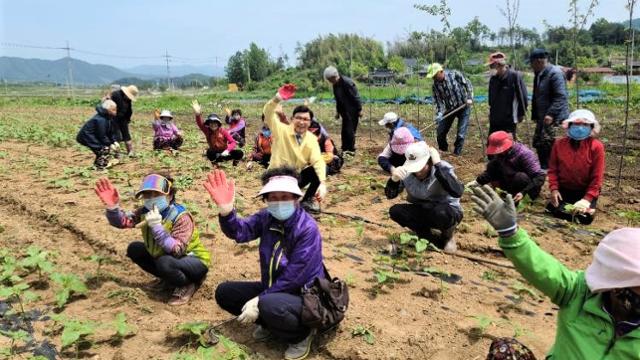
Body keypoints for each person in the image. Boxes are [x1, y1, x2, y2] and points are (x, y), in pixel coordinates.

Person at [471, 185, 640, 359]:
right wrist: (510, 233)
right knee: (505, 350)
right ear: (614, 280)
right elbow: (544, 269)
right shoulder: (579, 293)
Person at [204, 168, 326, 360]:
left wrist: (260, 299)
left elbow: (295, 276)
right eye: (273, 197)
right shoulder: (266, 218)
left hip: (304, 296)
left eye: (285, 196)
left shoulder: (307, 228)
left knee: (268, 304)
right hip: (274, 289)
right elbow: (240, 232)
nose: (279, 202)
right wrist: (227, 211)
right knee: (225, 293)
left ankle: (301, 335)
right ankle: (271, 323)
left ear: (296, 198)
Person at [94, 173, 211, 306]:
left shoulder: (180, 217)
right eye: (148, 195)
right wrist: (113, 208)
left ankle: (188, 283)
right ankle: (168, 279)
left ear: (170, 195)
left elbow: (177, 250)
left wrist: (157, 227)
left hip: (193, 261)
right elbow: (124, 222)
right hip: (168, 258)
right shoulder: (145, 211)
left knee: (164, 262)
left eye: (156, 194)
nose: (152, 199)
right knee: (135, 249)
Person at [385, 141, 464, 253]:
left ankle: (447, 237)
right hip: (423, 209)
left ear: (430, 161)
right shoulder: (407, 172)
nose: (417, 172)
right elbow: (390, 195)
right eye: (414, 168)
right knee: (396, 211)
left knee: (441, 213)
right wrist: (393, 180)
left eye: (421, 167)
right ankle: (426, 235)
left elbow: (457, 191)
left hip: (447, 211)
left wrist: (438, 166)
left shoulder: (442, 168)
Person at [262, 84, 327, 213]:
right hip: (276, 178)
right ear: (292, 119)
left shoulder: (311, 139)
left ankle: (307, 200)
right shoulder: (281, 130)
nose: (302, 122)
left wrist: (323, 183)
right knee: (282, 209)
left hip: (293, 179)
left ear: (310, 122)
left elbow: (318, 160)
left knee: (319, 169)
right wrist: (277, 98)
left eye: (306, 119)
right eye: (298, 118)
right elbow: (268, 113)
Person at [546, 109, 604, 225]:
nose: (580, 127)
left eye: (585, 124)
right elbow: (553, 170)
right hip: (565, 189)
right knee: (551, 210)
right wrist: (554, 189)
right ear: (570, 125)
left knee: (584, 218)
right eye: (577, 123)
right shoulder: (559, 144)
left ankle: (587, 207)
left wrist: (587, 199)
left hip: (584, 190)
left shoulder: (596, 147)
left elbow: (597, 177)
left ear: (591, 127)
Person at [467, 131, 545, 203]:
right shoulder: (501, 155)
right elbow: (491, 171)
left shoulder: (524, 154)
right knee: (492, 165)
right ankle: (505, 195)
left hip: (527, 189)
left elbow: (540, 177)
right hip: (510, 184)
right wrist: (477, 182)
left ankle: (519, 199)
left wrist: (523, 192)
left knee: (520, 177)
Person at [529, 48, 570, 169]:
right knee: (538, 142)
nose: (531, 66)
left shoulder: (555, 73)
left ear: (539, 61)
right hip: (543, 116)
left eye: (532, 63)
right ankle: (544, 167)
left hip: (554, 117)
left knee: (548, 142)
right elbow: (536, 96)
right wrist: (535, 115)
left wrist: (551, 114)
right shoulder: (539, 74)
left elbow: (561, 96)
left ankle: (551, 168)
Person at [427, 63, 474, 156]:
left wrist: (469, 97)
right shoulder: (435, 85)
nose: (434, 78)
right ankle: (443, 152)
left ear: (441, 71)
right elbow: (439, 101)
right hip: (450, 110)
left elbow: (467, 84)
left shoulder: (455, 75)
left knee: (461, 134)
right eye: (433, 77)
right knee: (440, 133)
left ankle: (457, 154)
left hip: (463, 106)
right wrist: (440, 113)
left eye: (435, 76)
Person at [323, 66, 362, 155]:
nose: (330, 82)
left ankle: (351, 150)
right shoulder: (335, 85)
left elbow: (355, 96)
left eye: (330, 80)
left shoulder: (347, 82)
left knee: (350, 131)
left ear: (334, 77)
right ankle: (345, 148)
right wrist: (337, 111)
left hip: (352, 110)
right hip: (344, 111)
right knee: (344, 131)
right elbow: (338, 99)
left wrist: (359, 109)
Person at [487, 52, 528, 137]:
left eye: (491, 66)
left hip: (509, 119)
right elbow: (491, 99)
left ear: (499, 65)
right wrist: (491, 112)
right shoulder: (493, 79)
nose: (490, 68)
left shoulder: (515, 76)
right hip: (495, 118)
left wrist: (521, 114)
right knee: (492, 141)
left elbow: (523, 97)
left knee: (507, 143)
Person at [192, 100, 244, 166]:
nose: (213, 125)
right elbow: (200, 124)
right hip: (216, 155)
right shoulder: (207, 131)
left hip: (225, 153)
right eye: (211, 123)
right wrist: (198, 114)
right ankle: (214, 163)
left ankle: (235, 163)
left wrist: (227, 150)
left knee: (239, 153)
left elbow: (233, 142)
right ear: (208, 124)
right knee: (209, 152)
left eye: (215, 123)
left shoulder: (223, 131)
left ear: (218, 124)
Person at [76, 99, 120, 170]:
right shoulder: (101, 120)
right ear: (107, 109)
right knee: (103, 149)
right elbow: (102, 135)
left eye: (115, 109)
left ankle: (97, 166)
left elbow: (110, 132)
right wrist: (110, 144)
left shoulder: (108, 118)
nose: (115, 112)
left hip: (93, 136)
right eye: (113, 110)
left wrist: (114, 141)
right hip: (87, 137)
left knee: (103, 149)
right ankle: (100, 168)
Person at [109, 85, 139, 157]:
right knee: (116, 136)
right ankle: (117, 153)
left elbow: (129, 110)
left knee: (126, 135)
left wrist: (128, 119)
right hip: (113, 118)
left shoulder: (128, 99)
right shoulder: (116, 95)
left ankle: (130, 151)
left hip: (123, 118)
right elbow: (108, 106)